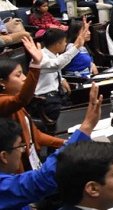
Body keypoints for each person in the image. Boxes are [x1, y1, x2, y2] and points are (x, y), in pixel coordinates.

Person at [0, 84, 100, 210]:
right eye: (18, 147)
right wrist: (85, 128)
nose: (23, 151)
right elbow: (43, 179)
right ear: (4, 156)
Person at [0, 36, 66, 168]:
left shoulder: (14, 103)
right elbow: (21, 100)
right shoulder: (4, 102)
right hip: (18, 168)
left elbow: (36, 136)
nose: (24, 79)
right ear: (2, 82)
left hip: (34, 160)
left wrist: (66, 143)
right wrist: (36, 65)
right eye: (18, 75)